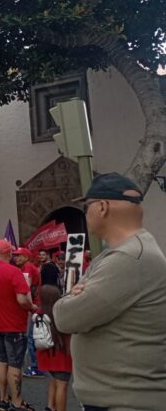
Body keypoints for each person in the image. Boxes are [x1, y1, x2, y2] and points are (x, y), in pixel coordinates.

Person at [53, 173, 166, 411]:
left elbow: (66, 317)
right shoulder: (124, 253)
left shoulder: (129, 258)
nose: (86, 214)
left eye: (87, 207)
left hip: (125, 401)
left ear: (102, 207)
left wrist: (69, 298)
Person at [0, 239, 37, 411]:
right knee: (15, 364)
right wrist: (31, 307)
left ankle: (3, 399)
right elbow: (21, 299)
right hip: (14, 324)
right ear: (8, 253)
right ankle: (17, 401)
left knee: (1, 361)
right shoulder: (13, 271)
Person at [35, 285, 71, 411]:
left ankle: (50, 406)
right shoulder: (61, 313)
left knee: (53, 380)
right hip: (62, 354)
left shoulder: (39, 313)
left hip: (46, 352)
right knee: (62, 385)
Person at [13, 247, 42, 378]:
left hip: (34, 306)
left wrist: (30, 306)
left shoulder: (28, 268)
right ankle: (37, 365)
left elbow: (25, 289)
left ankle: (36, 367)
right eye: (15, 255)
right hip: (35, 305)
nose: (16, 258)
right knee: (33, 337)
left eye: (19, 255)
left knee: (31, 338)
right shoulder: (25, 268)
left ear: (26, 257)